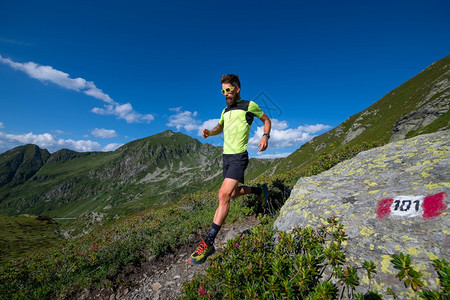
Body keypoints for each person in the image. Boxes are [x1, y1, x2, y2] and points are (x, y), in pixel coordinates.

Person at [189, 74, 272, 264]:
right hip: (226, 157)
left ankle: (209, 242)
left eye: (228, 89)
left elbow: (267, 120)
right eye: (223, 90)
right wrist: (210, 132)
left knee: (223, 195)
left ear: (237, 89)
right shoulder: (225, 110)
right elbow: (220, 126)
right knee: (232, 194)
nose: (225, 93)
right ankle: (259, 190)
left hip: (239, 157)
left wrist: (265, 136)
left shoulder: (249, 105)